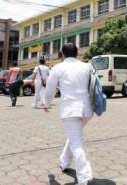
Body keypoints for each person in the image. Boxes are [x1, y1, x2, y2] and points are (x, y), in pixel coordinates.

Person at [44, 43, 93, 185]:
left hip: (71, 110)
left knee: (76, 142)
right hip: (88, 110)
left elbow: (50, 89)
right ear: (77, 53)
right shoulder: (86, 66)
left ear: (62, 54)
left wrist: (46, 104)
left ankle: (85, 178)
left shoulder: (58, 68)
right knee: (74, 136)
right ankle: (64, 162)